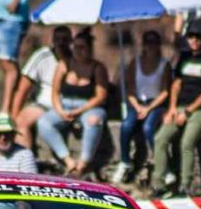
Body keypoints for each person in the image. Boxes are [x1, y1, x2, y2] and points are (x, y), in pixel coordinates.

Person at [152, 20, 201, 196]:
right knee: (160, 139)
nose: (194, 40)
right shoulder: (184, 57)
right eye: (191, 36)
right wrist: (172, 109)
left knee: (187, 142)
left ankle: (185, 185)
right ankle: (158, 183)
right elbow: (176, 85)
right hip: (181, 107)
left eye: (198, 36)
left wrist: (188, 111)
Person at [36, 29, 109, 176]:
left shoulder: (98, 68)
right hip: (65, 104)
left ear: (89, 49)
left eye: (82, 47)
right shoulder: (64, 64)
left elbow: (101, 96)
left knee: (94, 121)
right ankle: (67, 159)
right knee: (43, 122)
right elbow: (55, 92)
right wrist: (60, 110)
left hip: (89, 106)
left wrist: (79, 111)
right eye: (75, 47)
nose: (78, 51)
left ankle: (83, 163)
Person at [112, 30, 171, 185]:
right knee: (126, 126)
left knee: (148, 128)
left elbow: (165, 92)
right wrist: (138, 106)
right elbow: (130, 89)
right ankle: (125, 161)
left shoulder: (164, 64)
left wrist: (148, 108)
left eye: (154, 43)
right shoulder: (135, 63)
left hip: (155, 103)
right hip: (137, 102)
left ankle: (163, 165)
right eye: (147, 43)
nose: (150, 46)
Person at [10, 25, 73, 150]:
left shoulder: (77, 58)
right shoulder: (42, 56)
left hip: (69, 105)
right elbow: (23, 89)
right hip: (45, 104)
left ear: (70, 41)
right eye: (58, 39)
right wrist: (13, 117)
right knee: (22, 121)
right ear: (53, 40)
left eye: (65, 39)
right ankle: (25, 159)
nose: (61, 43)